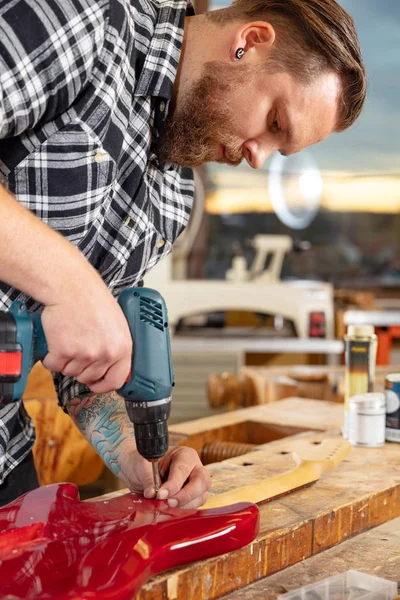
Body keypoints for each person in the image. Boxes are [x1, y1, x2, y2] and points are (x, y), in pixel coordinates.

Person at [0, 0, 365, 507]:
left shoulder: (172, 199)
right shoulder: (89, 23)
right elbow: (74, 296)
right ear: (251, 42)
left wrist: (135, 450)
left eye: (278, 151)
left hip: (6, 455)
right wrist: (69, 281)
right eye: (275, 122)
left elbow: (85, 361)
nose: (257, 157)